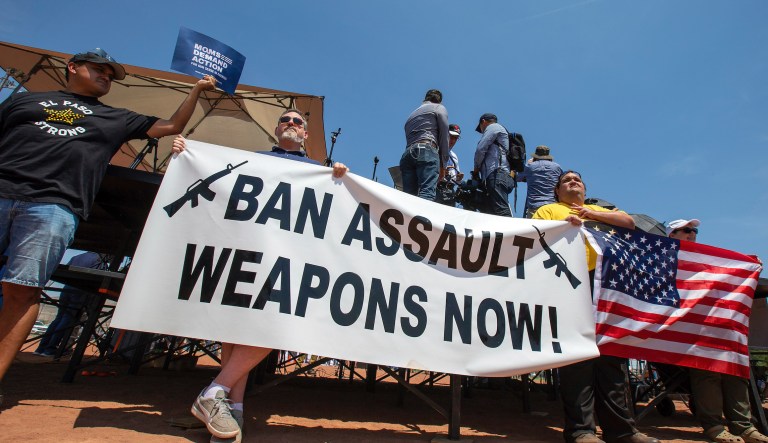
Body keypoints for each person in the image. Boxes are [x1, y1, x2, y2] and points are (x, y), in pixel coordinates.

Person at [0, 48, 216, 395]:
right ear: (73, 67)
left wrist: (195, 91)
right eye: (99, 69)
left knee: (21, 291)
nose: (106, 77)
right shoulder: (25, 102)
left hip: (54, 206)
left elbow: (171, 126)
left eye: (111, 75)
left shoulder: (117, 118)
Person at [173, 109, 348, 443]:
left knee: (275, 322)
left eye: (298, 122)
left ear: (306, 136)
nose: (292, 125)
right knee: (234, 327)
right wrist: (187, 154)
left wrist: (339, 176)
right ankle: (232, 408)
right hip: (246, 247)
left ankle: (215, 391)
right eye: (286, 120)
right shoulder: (250, 160)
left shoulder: (319, 171)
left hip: (289, 257)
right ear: (277, 128)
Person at [533, 171, 659, 443]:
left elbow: (628, 222)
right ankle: (582, 431)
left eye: (577, 179)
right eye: (566, 181)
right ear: (556, 191)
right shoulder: (547, 210)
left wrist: (590, 213)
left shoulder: (602, 210)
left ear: (585, 187)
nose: (572, 182)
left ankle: (622, 431)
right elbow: (535, 237)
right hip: (570, 283)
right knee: (578, 359)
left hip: (608, 287)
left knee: (611, 360)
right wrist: (565, 224)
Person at [666, 219, 768, 443]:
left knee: (735, 369)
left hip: (718, 325)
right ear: (672, 235)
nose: (692, 233)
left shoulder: (708, 259)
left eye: (694, 230)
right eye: (685, 230)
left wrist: (746, 264)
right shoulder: (664, 258)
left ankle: (743, 425)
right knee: (707, 372)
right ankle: (713, 426)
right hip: (687, 331)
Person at [34, 252, 109, 358]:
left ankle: (41, 347)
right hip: (80, 290)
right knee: (68, 318)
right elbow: (100, 279)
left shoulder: (77, 257)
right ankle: (51, 348)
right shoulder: (99, 259)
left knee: (59, 318)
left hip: (67, 289)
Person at [400, 89, 449, 201]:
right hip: (426, 149)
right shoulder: (438, 108)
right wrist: (443, 166)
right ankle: (421, 219)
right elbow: (444, 136)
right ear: (439, 101)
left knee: (408, 198)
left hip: (407, 154)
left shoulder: (411, 115)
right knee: (427, 193)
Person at [473, 113, 514, 217]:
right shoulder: (501, 130)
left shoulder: (493, 127)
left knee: (501, 211)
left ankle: (510, 232)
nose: (482, 131)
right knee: (493, 213)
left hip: (497, 174)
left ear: (483, 121)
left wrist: (476, 170)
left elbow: (480, 149)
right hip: (501, 175)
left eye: (481, 128)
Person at [515, 145, 563, 218]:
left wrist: (528, 164)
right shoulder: (557, 167)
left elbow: (517, 178)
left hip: (535, 206)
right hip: (553, 205)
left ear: (536, 156)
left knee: (534, 229)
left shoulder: (529, 166)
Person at [435, 123, 464, 206]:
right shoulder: (435, 149)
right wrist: (441, 171)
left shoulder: (454, 156)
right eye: (451, 137)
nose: (453, 141)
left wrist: (458, 178)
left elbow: (457, 180)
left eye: (456, 138)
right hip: (436, 188)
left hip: (450, 191)